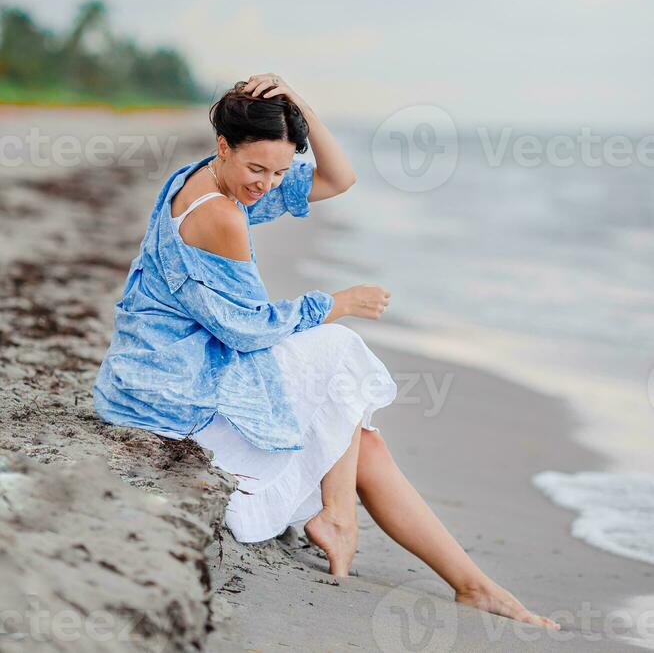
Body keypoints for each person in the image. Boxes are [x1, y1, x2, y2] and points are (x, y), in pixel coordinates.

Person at [93, 73, 560, 631]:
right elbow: (250, 330)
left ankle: (467, 582)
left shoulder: (204, 178)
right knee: (339, 347)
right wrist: (338, 301)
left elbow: (341, 177)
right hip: (173, 395)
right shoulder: (219, 213)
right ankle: (346, 520)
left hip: (155, 376)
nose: (266, 185)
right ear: (224, 148)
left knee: (360, 438)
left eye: (280, 172)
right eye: (257, 169)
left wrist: (296, 103)